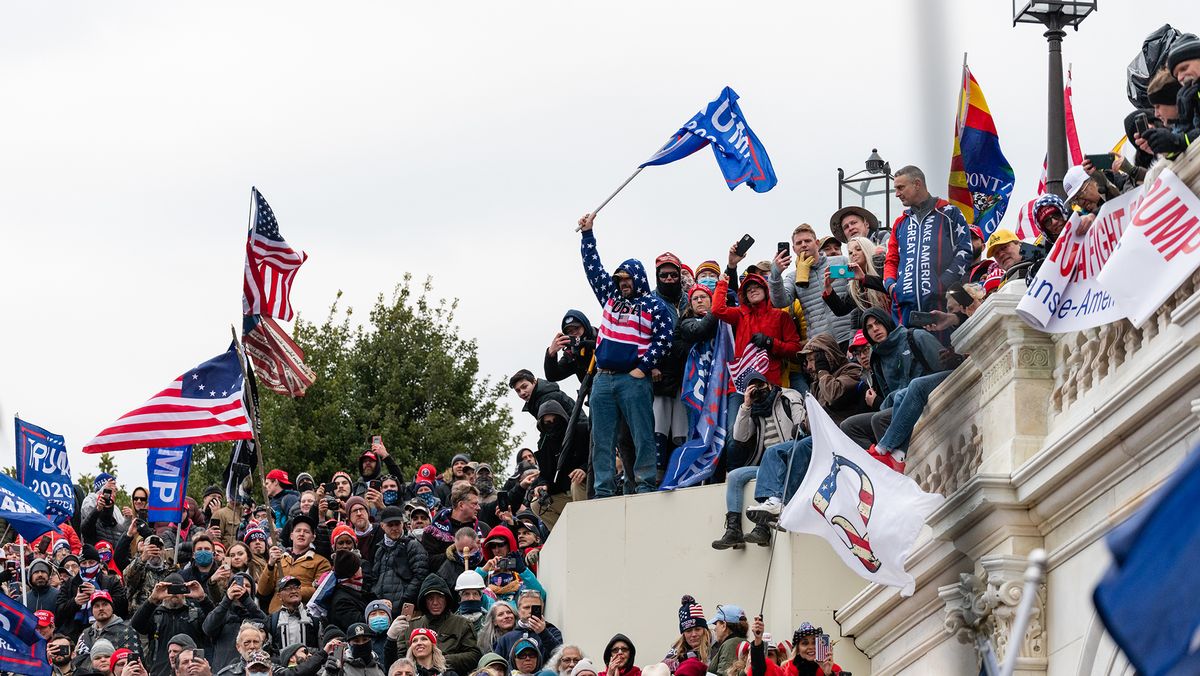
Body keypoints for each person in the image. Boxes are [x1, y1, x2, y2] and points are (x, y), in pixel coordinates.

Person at [577, 212, 675, 496]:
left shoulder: (652, 305)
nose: (622, 283)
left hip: (633, 379)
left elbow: (665, 338)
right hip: (603, 379)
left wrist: (643, 368)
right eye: (619, 279)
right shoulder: (609, 297)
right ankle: (604, 489)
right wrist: (587, 235)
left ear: (638, 279)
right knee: (603, 439)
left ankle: (645, 484)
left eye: (627, 278)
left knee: (642, 434)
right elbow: (593, 269)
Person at [838, 308, 944, 472]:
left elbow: (944, 367)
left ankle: (892, 463)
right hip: (902, 404)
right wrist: (879, 402)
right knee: (849, 426)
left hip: (928, 393)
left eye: (878, 323)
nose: (875, 329)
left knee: (881, 417)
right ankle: (880, 470)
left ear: (886, 322)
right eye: (870, 327)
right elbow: (889, 401)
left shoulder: (914, 336)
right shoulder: (878, 359)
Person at [712, 373, 806, 550]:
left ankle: (762, 529)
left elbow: (801, 426)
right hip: (766, 464)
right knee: (734, 476)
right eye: (753, 389)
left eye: (760, 386)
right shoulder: (754, 408)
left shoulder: (788, 396)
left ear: (769, 384)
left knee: (770, 459)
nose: (759, 392)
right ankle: (734, 531)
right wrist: (746, 405)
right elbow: (740, 436)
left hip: (791, 457)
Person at [883, 166, 972, 330]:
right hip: (905, 311)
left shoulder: (949, 212)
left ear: (917, 184)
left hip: (943, 306)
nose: (897, 194)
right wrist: (892, 287)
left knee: (944, 354)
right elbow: (891, 260)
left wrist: (942, 283)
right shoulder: (900, 223)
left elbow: (964, 251)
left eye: (900, 187)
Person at [768, 224, 854, 348]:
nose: (803, 244)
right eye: (799, 243)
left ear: (817, 243)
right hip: (820, 344)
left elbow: (858, 290)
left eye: (807, 241)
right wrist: (775, 274)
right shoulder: (793, 277)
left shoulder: (841, 261)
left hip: (848, 337)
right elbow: (780, 302)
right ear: (793, 248)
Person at [388, 574, 481, 675]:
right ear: (424, 601)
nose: (435, 602)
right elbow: (397, 660)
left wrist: (439, 660)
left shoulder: (462, 624)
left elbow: (474, 655)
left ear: (446, 599)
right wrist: (391, 638)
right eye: (430, 598)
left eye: (440, 597)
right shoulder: (410, 626)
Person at [131, 576, 214, 676]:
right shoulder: (156, 614)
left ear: (184, 591)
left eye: (178, 589)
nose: (174, 593)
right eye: (170, 590)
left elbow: (215, 623)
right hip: (160, 672)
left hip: (191, 671)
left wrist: (202, 598)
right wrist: (152, 600)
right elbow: (136, 624)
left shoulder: (195, 614)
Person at [529, 399, 589, 530]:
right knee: (536, 504)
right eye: (547, 423)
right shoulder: (544, 445)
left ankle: (586, 527)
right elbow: (545, 474)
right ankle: (566, 534)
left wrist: (584, 469)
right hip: (563, 495)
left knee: (577, 483)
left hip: (586, 490)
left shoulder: (581, 431)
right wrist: (541, 485)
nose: (553, 425)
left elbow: (596, 457)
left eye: (556, 421)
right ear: (542, 424)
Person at [258, 515, 332, 613]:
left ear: (313, 537)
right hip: (276, 615)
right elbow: (263, 591)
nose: (301, 534)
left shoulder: (321, 562)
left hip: (304, 616)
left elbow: (320, 591)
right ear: (291, 536)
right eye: (298, 531)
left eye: (306, 532)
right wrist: (270, 564)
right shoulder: (278, 559)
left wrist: (290, 591)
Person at [57, 545, 130, 639]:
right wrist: (75, 602)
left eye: (91, 562)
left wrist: (98, 595)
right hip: (75, 634)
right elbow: (59, 612)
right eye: (84, 563)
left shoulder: (111, 581)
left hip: (107, 633)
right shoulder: (69, 584)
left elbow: (122, 606)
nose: (87, 566)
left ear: (99, 563)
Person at [202, 574, 268, 672]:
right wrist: (227, 599)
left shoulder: (256, 613)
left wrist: (246, 600)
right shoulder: (222, 613)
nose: (242, 588)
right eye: (237, 585)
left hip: (253, 671)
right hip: (224, 671)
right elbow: (207, 628)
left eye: (247, 586)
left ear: (253, 591)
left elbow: (266, 623)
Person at [821, 237, 890, 324]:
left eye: (858, 249)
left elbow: (890, 286)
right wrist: (828, 287)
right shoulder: (855, 282)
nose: (853, 253)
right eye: (850, 253)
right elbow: (841, 310)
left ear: (867, 249)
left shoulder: (881, 263)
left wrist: (865, 278)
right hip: (878, 327)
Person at [371, 506, 429, 609]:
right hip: (383, 609)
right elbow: (374, 579)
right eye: (390, 525)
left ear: (403, 524)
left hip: (405, 608)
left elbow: (420, 576)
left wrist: (404, 600)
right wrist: (378, 600)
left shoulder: (412, 545)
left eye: (397, 524)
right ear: (382, 526)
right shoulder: (379, 550)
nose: (394, 528)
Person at [73, 591, 141, 668]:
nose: (101, 608)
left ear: (112, 607)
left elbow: (133, 664)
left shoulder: (127, 631)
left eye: (105, 604)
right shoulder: (85, 634)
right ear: (92, 611)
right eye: (96, 606)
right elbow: (77, 660)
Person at [490, 590, 561, 662]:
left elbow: (559, 657)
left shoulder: (552, 631)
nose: (530, 611)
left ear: (542, 609)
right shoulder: (507, 637)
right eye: (526, 607)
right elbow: (497, 666)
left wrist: (543, 633)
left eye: (535, 608)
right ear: (518, 610)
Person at [422, 484, 485, 561]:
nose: (479, 508)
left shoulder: (483, 528)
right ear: (461, 505)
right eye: (474, 504)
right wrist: (454, 554)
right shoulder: (433, 531)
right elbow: (429, 561)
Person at [269, 575, 321, 653]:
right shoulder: (273, 620)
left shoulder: (313, 618)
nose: (293, 591)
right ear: (279, 596)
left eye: (296, 587)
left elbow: (322, 650)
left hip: (310, 664)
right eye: (288, 589)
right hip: (282, 665)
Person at [544, 311, 596, 384]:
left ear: (585, 325)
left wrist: (595, 346)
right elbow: (553, 376)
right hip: (595, 392)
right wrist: (551, 353)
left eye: (576, 328)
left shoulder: (603, 336)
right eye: (570, 331)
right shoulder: (572, 353)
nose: (574, 333)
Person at [509, 370, 577, 424]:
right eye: (518, 391)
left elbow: (552, 430)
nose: (522, 393)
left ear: (534, 382)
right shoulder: (537, 402)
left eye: (524, 387)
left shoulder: (547, 399)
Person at [663, 596, 710, 672]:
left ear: (704, 630)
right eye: (689, 631)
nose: (694, 634)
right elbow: (662, 669)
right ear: (683, 634)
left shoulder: (715, 646)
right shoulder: (676, 649)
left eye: (698, 629)